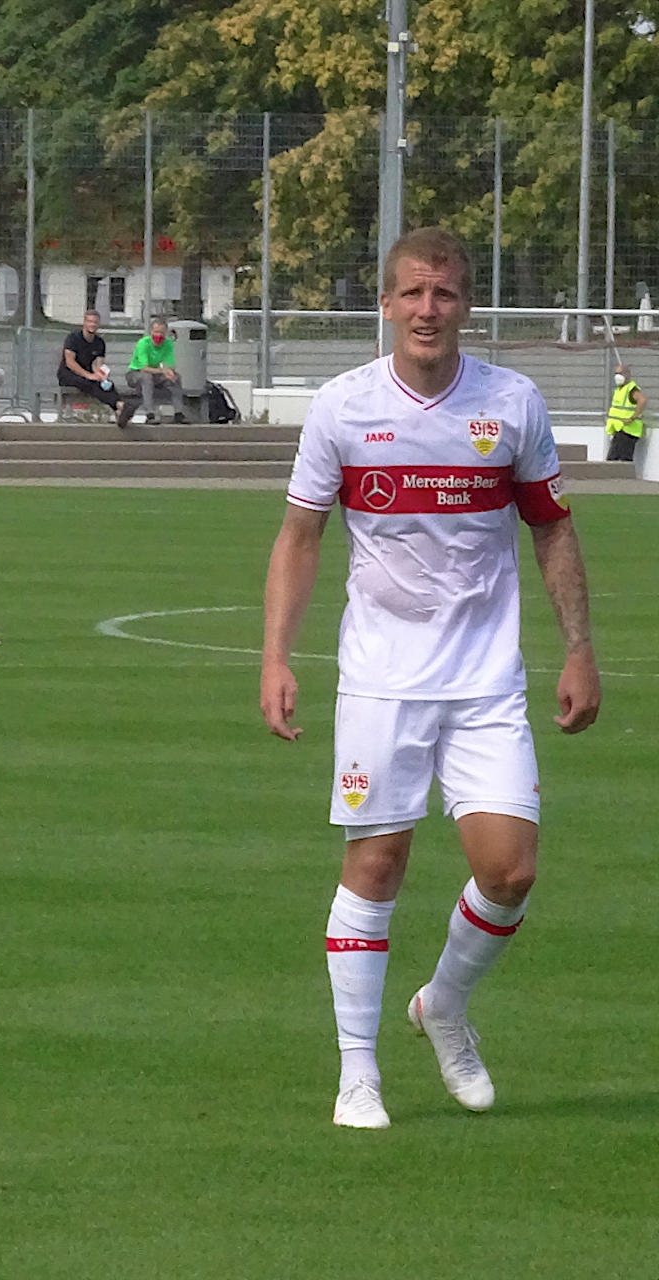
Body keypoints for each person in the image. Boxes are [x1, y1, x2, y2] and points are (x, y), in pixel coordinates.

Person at [260, 227, 601, 1132]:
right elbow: (300, 536)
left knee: (511, 869)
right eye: (412, 294)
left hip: (487, 680)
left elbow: (553, 529)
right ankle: (358, 1072)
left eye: (444, 294)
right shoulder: (342, 409)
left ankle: (443, 1004)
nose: (428, 310)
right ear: (385, 304)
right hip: (381, 679)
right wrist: (275, 657)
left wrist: (578, 647)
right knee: (378, 860)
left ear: (466, 305)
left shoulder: (512, 404)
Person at [58, 309, 125, 416]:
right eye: (90, 321)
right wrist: (89, 375)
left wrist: (101, 375)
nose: (92, 324)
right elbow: (70, 362)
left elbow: (98, 363)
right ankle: (118, 406)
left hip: (88, 373)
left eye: (95, 322)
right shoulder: (73, 338)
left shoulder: (99, 342)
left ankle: (120, 408)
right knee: (90, 384)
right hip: (68, 374)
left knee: (108, 385)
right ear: (84, 322)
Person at [121, 314, 183, 427]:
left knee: (176, 377)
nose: (158, 336)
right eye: (156, 332)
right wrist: (163, 371)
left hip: (155, 373)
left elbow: (170, 363)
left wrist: (169, 372)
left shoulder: (168, 343)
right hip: (135, 373)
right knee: (146, 377)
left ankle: (179, 412)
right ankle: (150, 413)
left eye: (161, 333)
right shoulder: (143, 344)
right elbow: (144, 368)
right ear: (151, 332)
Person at [605, 362, 645, 463]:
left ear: (627, 375)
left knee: (620, 459)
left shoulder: (631, 389)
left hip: (628, 430)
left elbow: (642, 400)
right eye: (616, 373)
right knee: (615, 458)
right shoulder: (620, 389)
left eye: (620, 373)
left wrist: (632, 417)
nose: (617, 376)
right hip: (619, 430)